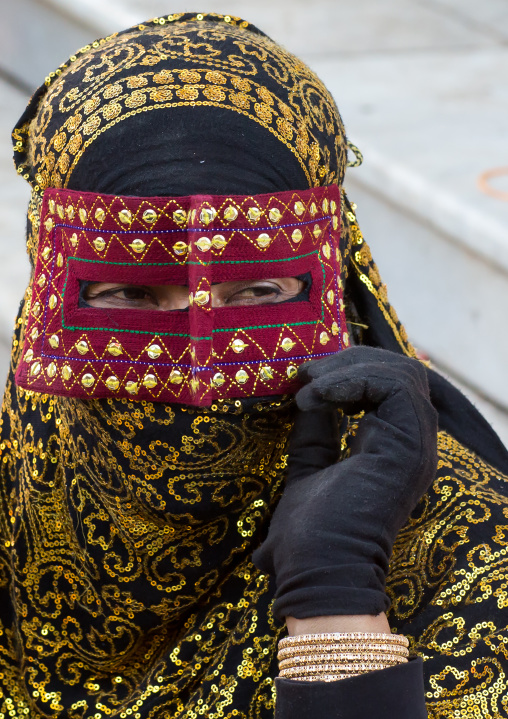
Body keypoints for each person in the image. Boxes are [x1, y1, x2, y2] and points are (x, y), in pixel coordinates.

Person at [2, 12, 508, 718]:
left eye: (257, 293)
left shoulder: (466, 552)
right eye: (131, 294)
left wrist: (335, 601)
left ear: (332, 278)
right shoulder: (15, 494)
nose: (197, 382)